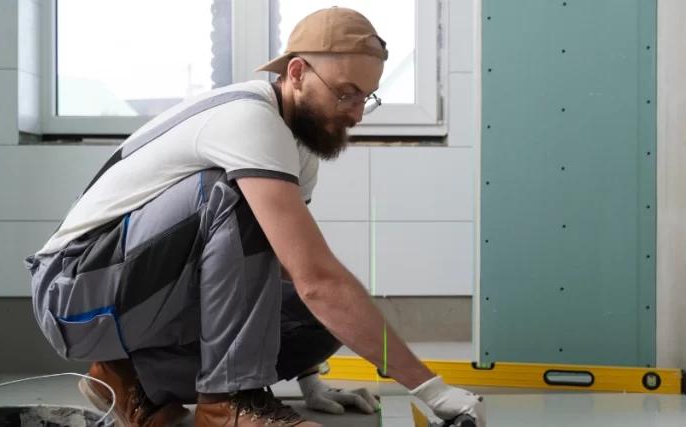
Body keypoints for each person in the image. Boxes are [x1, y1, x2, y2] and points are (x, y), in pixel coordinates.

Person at [24, 6, 486, 427]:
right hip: (73, 291)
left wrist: (311, 379)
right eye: (346, 95)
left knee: (320, 319)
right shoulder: (249, 118)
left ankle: (131, 376)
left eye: (367, 98)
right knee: (236, 197)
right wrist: (432, 389)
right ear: (297, 73)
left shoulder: (298, 149)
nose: (357, 114)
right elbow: (317, 278)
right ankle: (228, 401)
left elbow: (281, 267)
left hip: (140, 294)